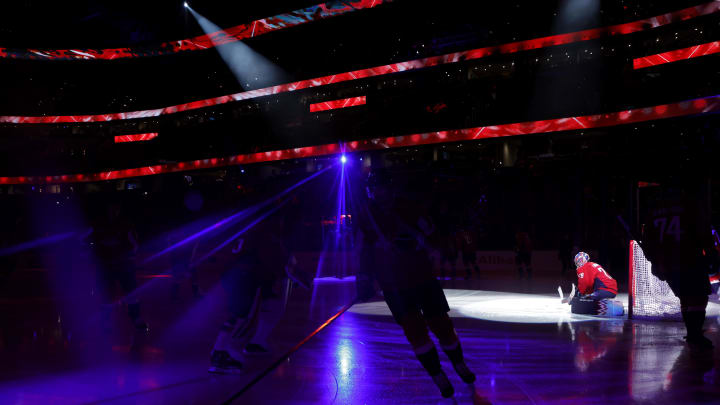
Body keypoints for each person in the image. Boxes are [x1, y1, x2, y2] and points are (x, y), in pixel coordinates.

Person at [356, 169, 475, 398]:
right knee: (415, 331)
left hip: (422, 277)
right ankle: (437, 375)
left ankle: (459, 364)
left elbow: (432, 235)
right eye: (376, 189)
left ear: (391, 189)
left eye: (384, 187)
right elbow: (362, 249)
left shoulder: (410, 208)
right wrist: (363, 277)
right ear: (370, 192)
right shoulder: (365, 217)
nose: (380, 193)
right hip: (394, 285)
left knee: (442, 325)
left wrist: (441, 246)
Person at [641, 176, 717, 349]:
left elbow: (647, 240)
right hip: (689, 258)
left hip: (666, 262)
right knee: (698, 297)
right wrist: (711, 253)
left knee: (685, 297)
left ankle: (692, 332)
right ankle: (694, 334)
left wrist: (654, 261)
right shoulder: (690, 204)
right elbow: (702, 230)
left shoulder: (655, 209)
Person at [91, 200, 147, 332]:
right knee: (107, 294)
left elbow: (134, 243)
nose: (113, 211)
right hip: (109, 265)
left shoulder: (125, 224)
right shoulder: (101, 225)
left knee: (130, 292)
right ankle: (107, 322)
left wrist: (128, 251)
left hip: (122, 264)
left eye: (115, 208)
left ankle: (136, 319)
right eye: (111, 208)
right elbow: (95, 241)